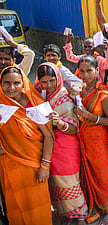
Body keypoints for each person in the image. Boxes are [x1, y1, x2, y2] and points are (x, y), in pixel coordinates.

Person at [0, 66, 54, 225]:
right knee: (15, 206)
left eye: (16, 83)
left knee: (37, 208)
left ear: (23, 83)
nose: (11, 87)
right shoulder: (1, 103)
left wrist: (45, 166)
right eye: (6, 83)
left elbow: (49, 136)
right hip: (8, 165)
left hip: (33, 166)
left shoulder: (35, 103)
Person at [68, 56, 108, 224]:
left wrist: (89, 116)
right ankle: (94, 205)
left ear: (98, 70)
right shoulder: (79, 90)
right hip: (82, 137)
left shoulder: (102, 93)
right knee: (88, 173)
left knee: (103, 173)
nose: (85, 75)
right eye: (82, 71)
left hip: (98, 139)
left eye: (89, 71)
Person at [37, 63, 88, 224]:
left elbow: (74, 129)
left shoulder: (65, 97)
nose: (49, 85)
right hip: (49, 144)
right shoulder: (42, 95)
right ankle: (68, 213)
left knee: (70, 180)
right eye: (44, 82)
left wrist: (59, 124)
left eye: (52, 81)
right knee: (56, 182)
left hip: (66, 145)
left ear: (58, 78)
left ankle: (81, 214)